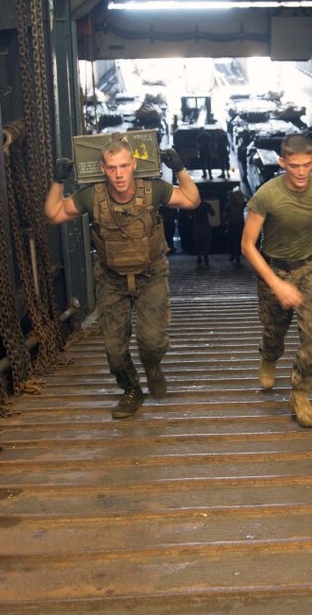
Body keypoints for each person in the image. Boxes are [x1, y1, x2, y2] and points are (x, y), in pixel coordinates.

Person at [44, 138, 199, 418]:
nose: (118, 174)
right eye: (112, 167)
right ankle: (131, 389)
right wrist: (58, 181)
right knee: (114, 349)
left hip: (150, 273)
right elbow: (54, 214)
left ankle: (152, 366)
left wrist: (180, 169)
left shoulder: (153, 190)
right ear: (103, 168)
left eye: (124, 166)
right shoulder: (92, 196)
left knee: (152, 341)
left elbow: (191, 199)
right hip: (111, 278)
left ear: (134, 165)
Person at [240, 134, 312, 428]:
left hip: (308, 267)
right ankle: (268, 357)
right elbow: (247, 245)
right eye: (294, 166)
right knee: (275, 332)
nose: (300, 172)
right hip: (274, 270)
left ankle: (300, 393)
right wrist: (277, 284)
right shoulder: (267, 196)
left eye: (307, 165)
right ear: (282, 162)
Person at [224, 187, 246, 268]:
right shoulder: (239, 204)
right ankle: (235, 255)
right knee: (234, 241)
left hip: (236, 225)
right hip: (235, 225)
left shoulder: (231, 205)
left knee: (235, 241)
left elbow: (224, 216)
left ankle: (235, 255)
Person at [192, 199, 214, 265]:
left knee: (198, 241)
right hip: (205, 224)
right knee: (206, 241)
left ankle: (199, 256)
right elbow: (213, 213)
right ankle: (205, 255)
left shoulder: (194, 205)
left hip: (197, 225)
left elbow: (189, 214)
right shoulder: (206, 205)